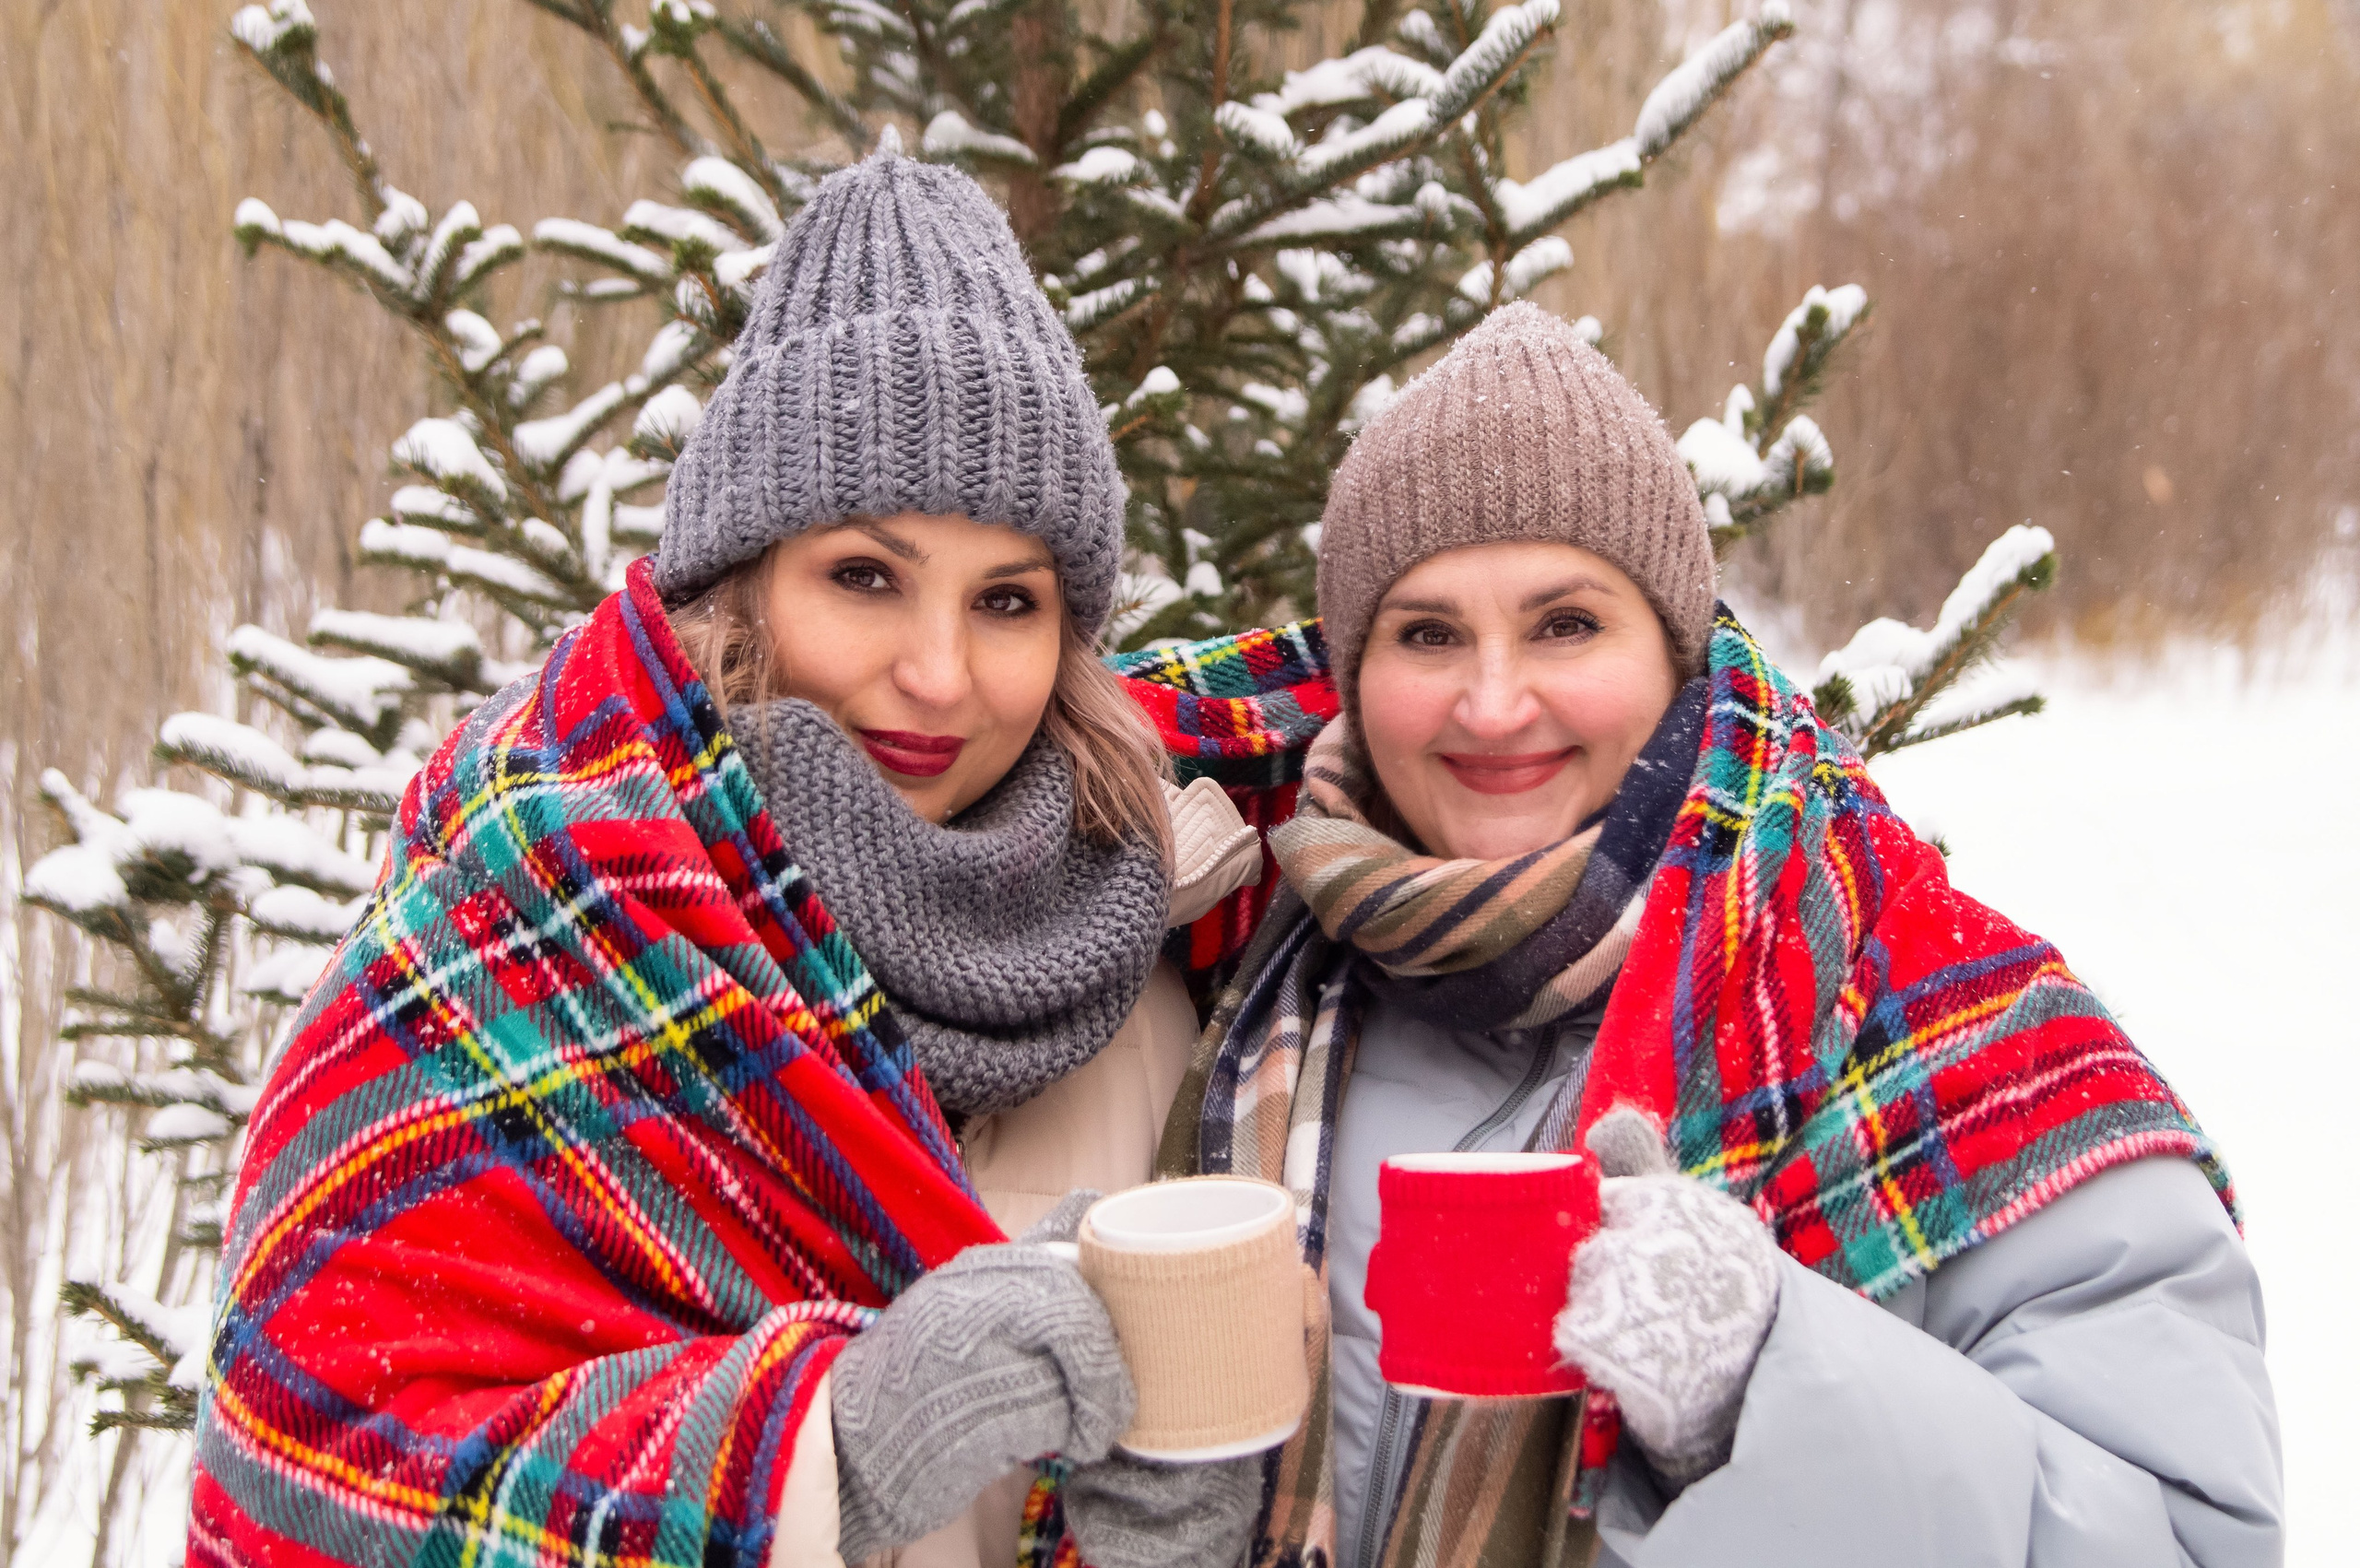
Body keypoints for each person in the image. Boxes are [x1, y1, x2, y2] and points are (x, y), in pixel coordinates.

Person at [188, 151, 1265, 1568]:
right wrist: (822, 1455)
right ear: (744, 577)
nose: (939, 674)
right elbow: (308, 1461)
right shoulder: (532, 932)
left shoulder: (1151, 956)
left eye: (1008, 600)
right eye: (865, 578)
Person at [1158, 302, 2283, 1568]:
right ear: (1355, 676)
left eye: (1566, 623)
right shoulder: (1221, 954)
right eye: (1426, 633)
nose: (1491, 699)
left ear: (1676, 654)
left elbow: (2187, 1545)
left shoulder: (1946, 1023)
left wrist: (1769, 1386)